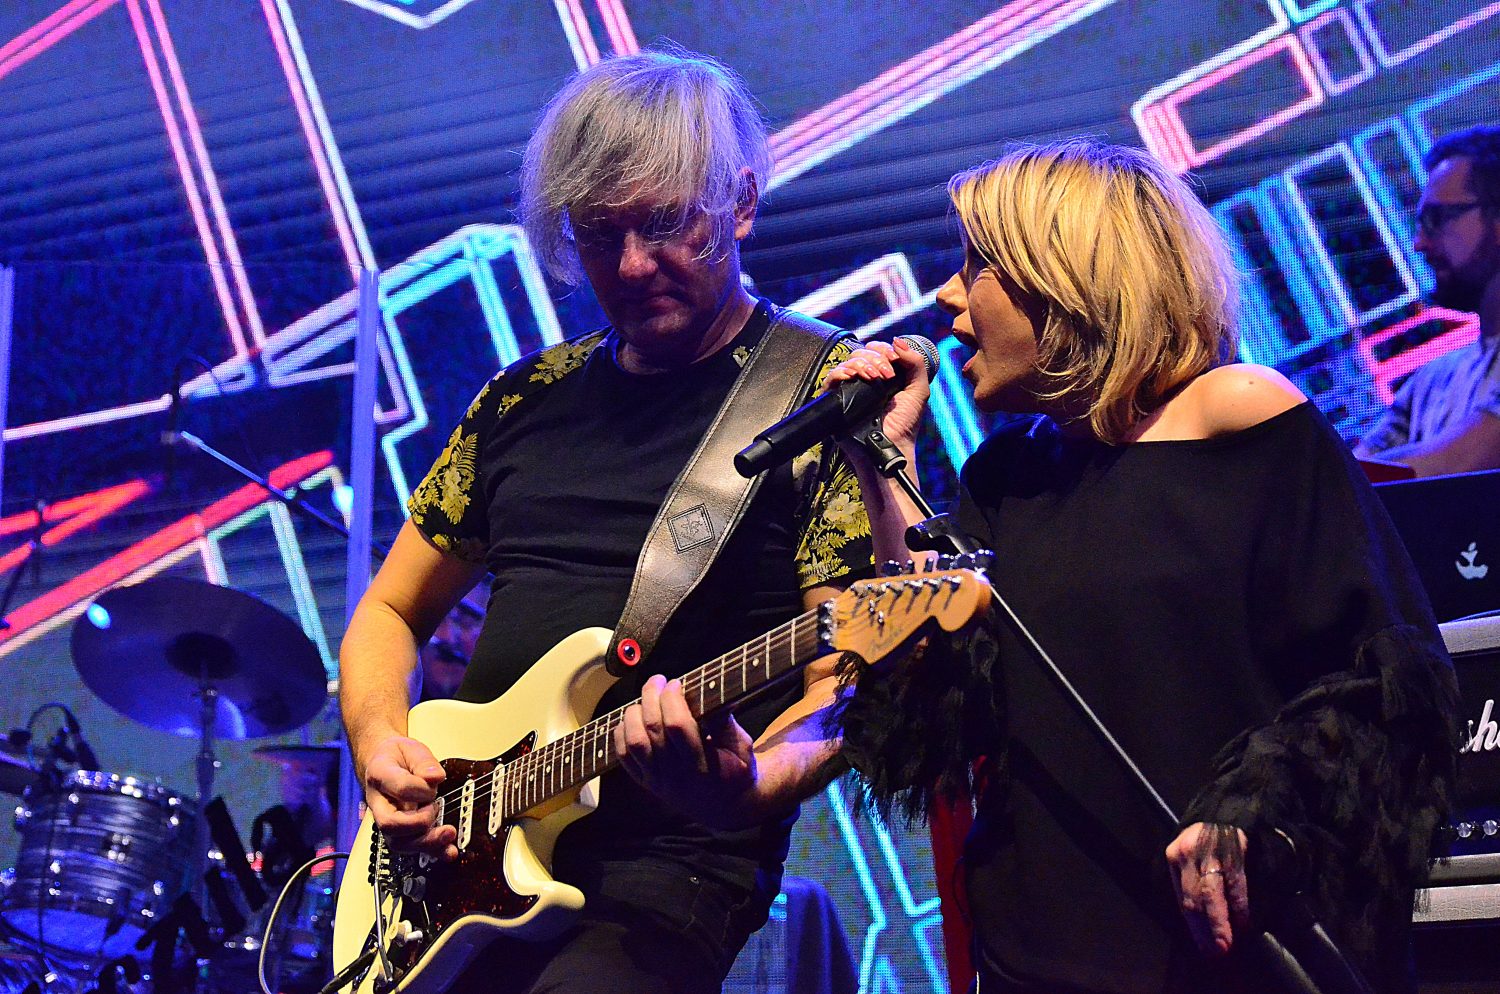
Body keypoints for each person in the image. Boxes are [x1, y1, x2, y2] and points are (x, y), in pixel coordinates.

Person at [826, 140, 1460, 994]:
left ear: (1065, 276)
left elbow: (1385, 686)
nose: (946, 295)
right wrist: (884, 464)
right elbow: (931, 711)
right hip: (1040, 956)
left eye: (975, 264)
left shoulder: (1240, 416)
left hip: (1223, 952)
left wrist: (1249, 810)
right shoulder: (1009, 479)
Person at [338, 48, 872, 994]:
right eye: (597, 234)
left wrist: (744, 786)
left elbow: (849, 680)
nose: (630, 265)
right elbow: (388, 612)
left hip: (668, 869)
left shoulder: (823, 396)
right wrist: (382, 748)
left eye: (664, 223)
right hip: (455, 868)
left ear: (742, 204)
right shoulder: (522, 400)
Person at [1356, 125, 1500, 475]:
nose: (1419, 243)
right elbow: (1352, 476)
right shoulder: (1430, 381)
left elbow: (1464, 460)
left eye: (1436, 219)